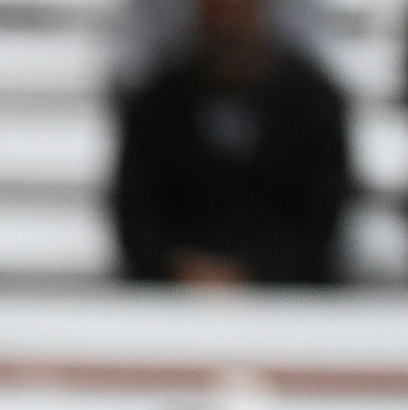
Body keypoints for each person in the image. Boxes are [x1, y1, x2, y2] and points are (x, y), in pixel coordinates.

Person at [114, 0, 348, 287]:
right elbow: (137, 215)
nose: (225, 20)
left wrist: (253, 271)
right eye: (215, 7)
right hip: (171, 294)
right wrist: (183, 267)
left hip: (288, 295)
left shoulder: (312, 104)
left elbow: (320, 218)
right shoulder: (158, 104)